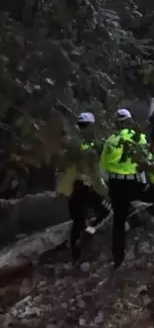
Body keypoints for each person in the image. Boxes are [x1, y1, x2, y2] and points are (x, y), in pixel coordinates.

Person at [100, 109, 154, 269]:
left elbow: (103, 169)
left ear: (116, 123)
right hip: (134, 184)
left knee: (118, 223)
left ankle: (117, 260)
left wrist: (109, 187)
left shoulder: (109, 141)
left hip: (116, 186)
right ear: (129, 122)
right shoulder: (138, 138)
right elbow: (148, 164)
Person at [56, 112, 111, 263]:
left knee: (78, 221)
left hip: (72, 189)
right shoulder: (89, 149)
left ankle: (76, 256)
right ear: (91, 126)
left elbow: (62, 167)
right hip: (86, 188)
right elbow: (94, 175)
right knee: (107, 211)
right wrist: (104, 191)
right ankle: (89, 234)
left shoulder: (71, 145)